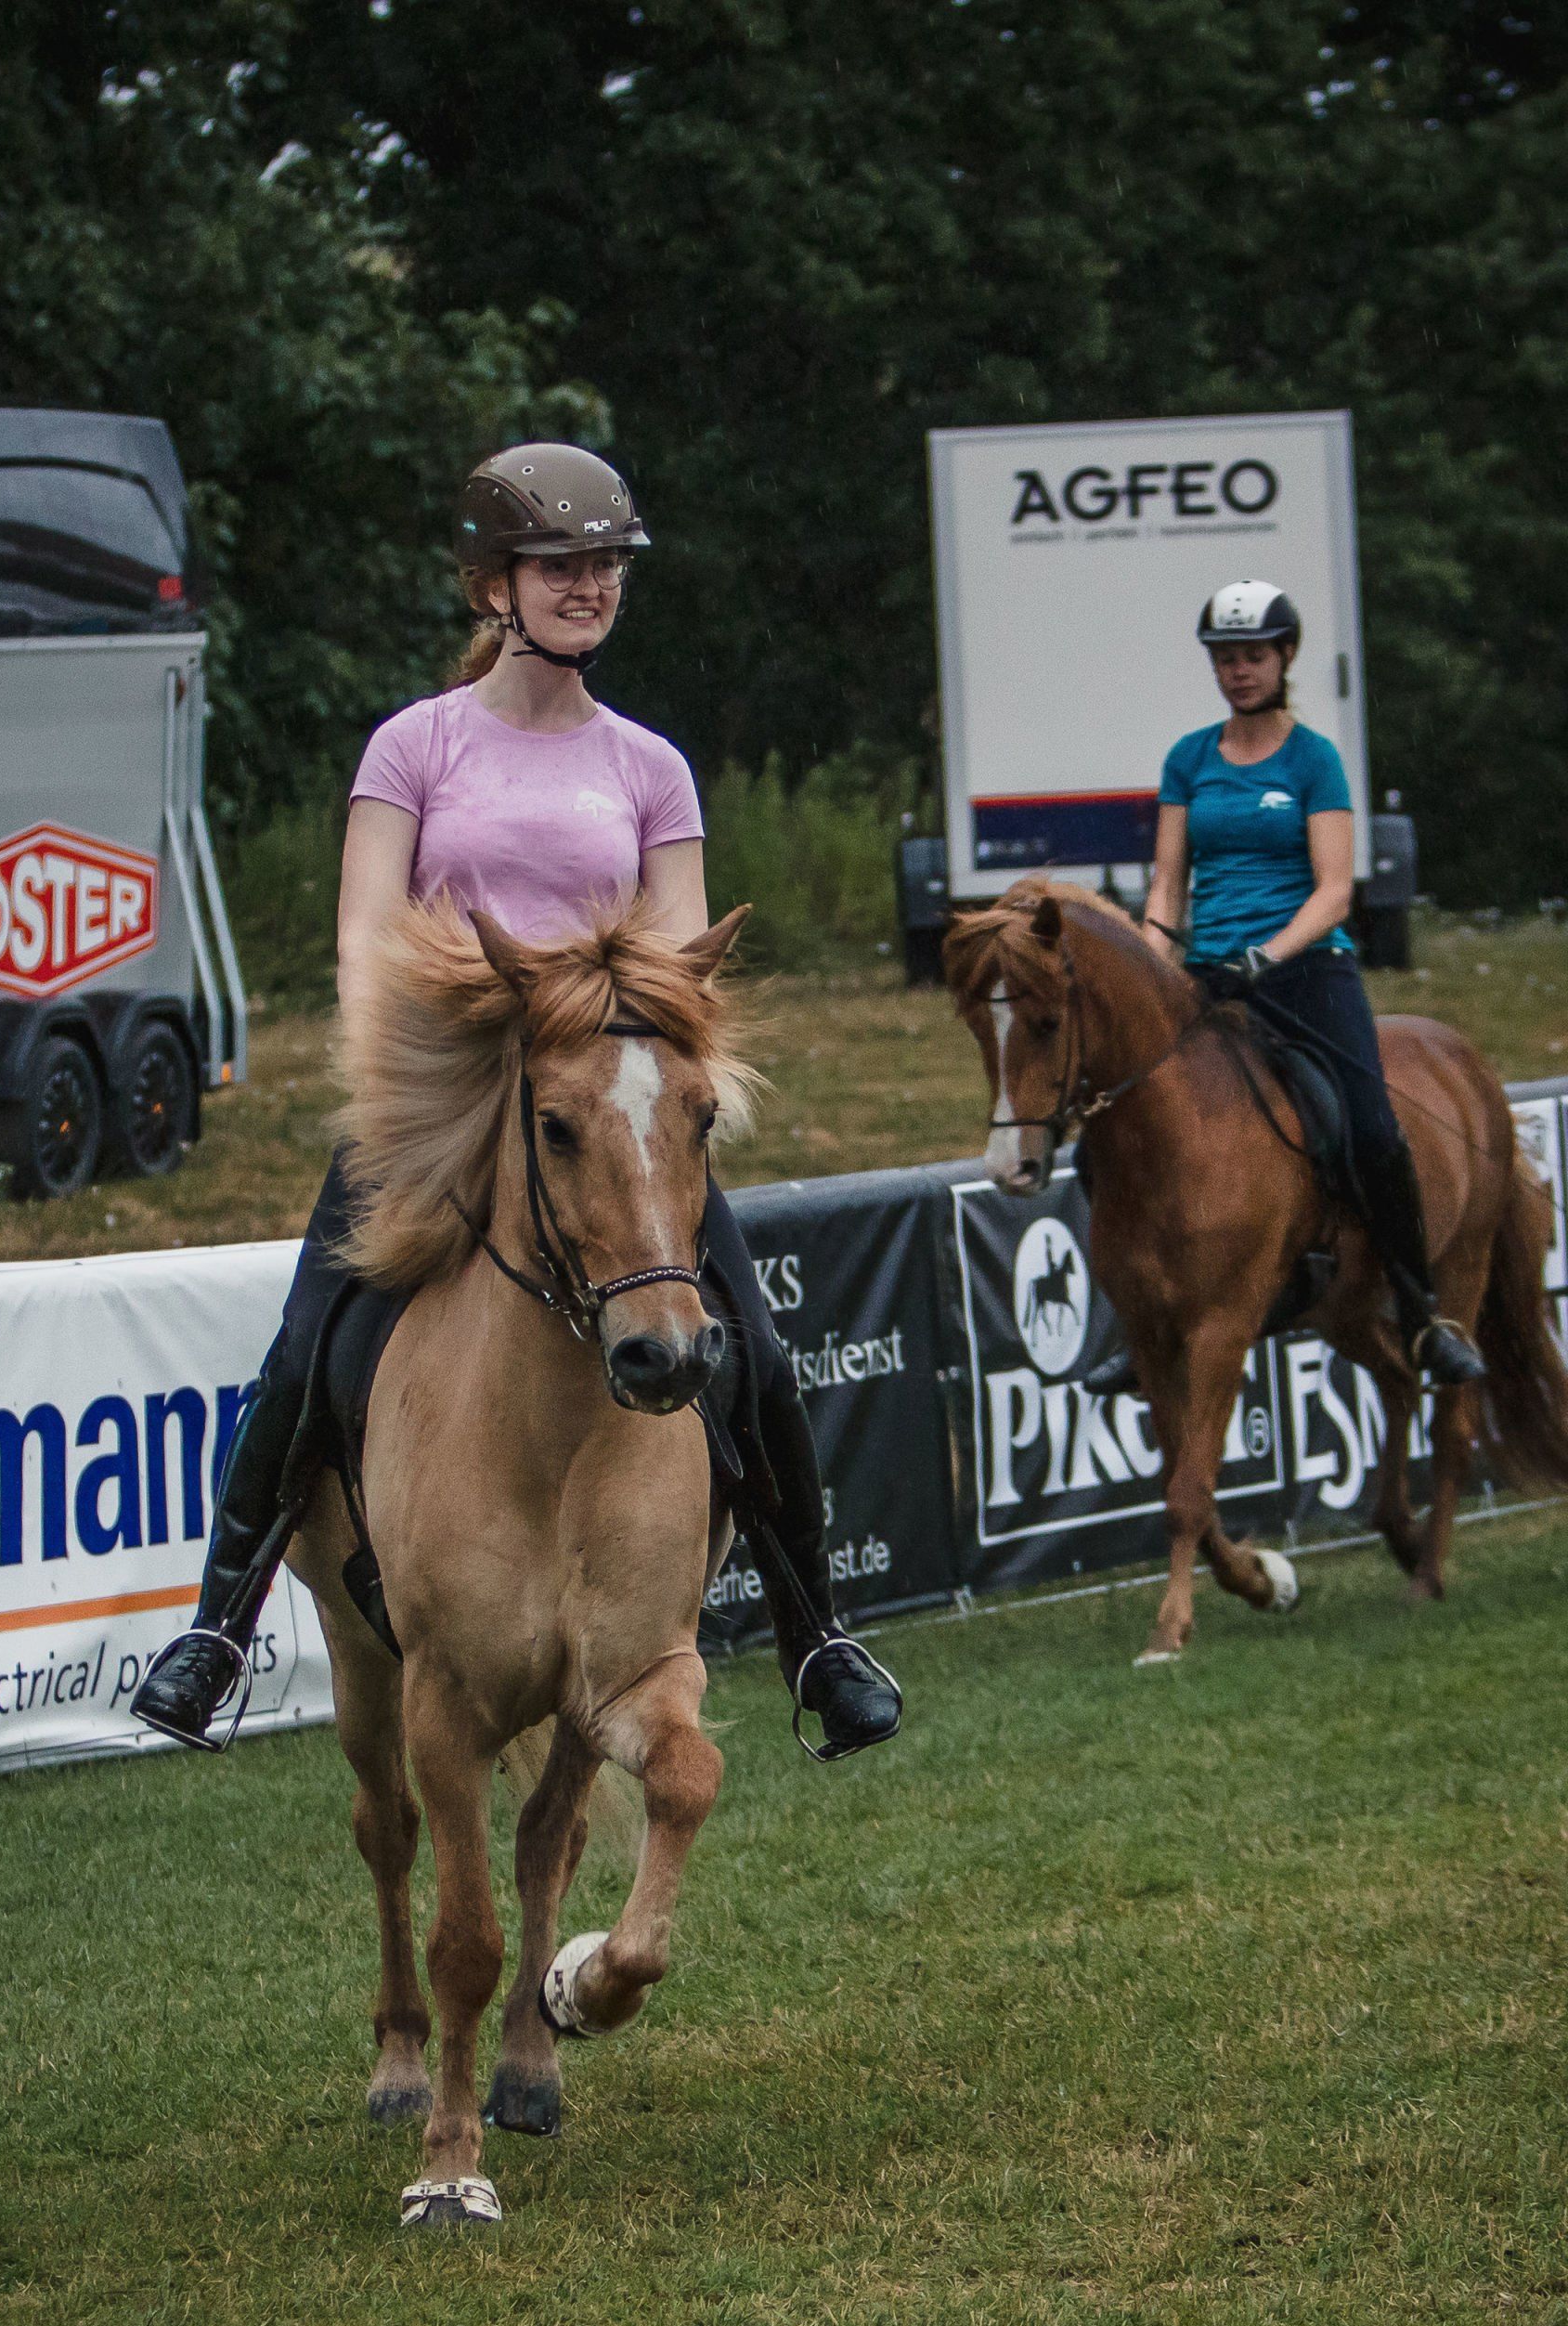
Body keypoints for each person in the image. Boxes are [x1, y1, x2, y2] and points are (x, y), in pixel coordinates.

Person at [132, 443, 903, 1759]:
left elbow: (675, 965)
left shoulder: (650, 767)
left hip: (605, 1114)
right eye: (561, 564)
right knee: (308, 1345)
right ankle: (218, 1626)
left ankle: (817, 1634)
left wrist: (621, 1058)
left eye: (606, 565)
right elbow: (366, 944)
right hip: (446, 1111)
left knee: (759, 1356)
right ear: (495, 582)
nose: (590, 585)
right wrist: (426, 1072)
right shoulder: (414, 746)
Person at [1083, 578, 1485, 1398]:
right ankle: (1134, 1325)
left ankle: (1419, 1315)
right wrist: (1155, 965)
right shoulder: (1189, 759)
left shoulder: (1313, 759)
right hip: (1206, 976)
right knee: (1105, 1137)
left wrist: (1265, 956)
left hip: (1306, 969)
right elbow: (1167, 885)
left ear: (1285, 657)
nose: (1238, 671)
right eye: (1225, 657)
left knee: (1372, 1128)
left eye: (1253, 656)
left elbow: (1334, 891)